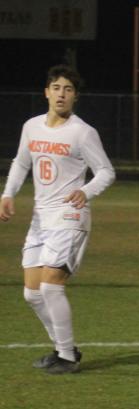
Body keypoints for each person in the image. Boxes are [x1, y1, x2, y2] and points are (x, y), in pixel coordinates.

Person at [1, 64, 116, 374]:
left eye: (68, 89)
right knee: (32, 293)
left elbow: (106, 171)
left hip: (69, 216)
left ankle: (66, 358)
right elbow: (21, 162)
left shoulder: (82, 132)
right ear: (46, 92)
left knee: (51, 286)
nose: (61, 94)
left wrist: (86, 191)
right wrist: (7, 194)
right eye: (56, 88)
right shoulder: (32, 126)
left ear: (75, 97)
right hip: (40, 219)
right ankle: (65, 349)